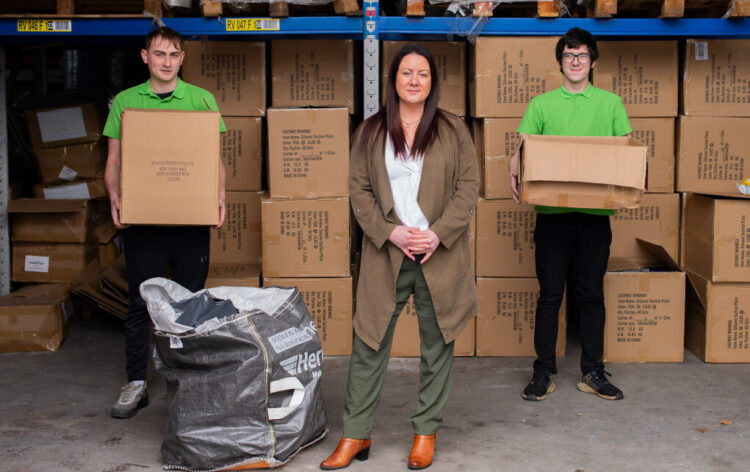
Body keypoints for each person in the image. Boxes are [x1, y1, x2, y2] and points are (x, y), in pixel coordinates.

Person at [319, 44, 479, 471]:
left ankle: (425, 433)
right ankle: (355, 434)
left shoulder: (453, 130)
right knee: (369, 342)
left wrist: (437, 234)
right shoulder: (371, 131)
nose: (414, 80)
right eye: (406, 72)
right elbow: (359, 189)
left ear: (432, 82)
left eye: (422, 74)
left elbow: (468, 188)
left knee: (437, 344)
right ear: (393, 80)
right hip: (387, 252)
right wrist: (390, 231)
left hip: (438, 253)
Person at [103, 26, 227, 419]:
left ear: (182, 58)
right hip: (144, 222)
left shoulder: (201, 100)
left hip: (190, 221)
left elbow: (213, 160)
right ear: (145, 57)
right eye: (159, 54)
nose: (167, 62)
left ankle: (188, 384)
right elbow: (114, 160)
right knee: (141, 301)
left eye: (174, 55)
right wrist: (115, 197)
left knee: (189, 302)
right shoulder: (126, 102)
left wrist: (220, 196)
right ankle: (135, 383)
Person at [509, 27, 631, 402]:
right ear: (560, 62)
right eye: (568, 55)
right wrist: (514, 162)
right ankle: (543, 371)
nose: (575, 61)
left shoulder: (611, 103)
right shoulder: (542, 105)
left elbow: (625, 152)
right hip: (552, 215)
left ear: (592, 62)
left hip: (595, 215)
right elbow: (525, 147)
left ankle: (592, 371)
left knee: (591, 295)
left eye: (581, 55)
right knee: (550, 295)